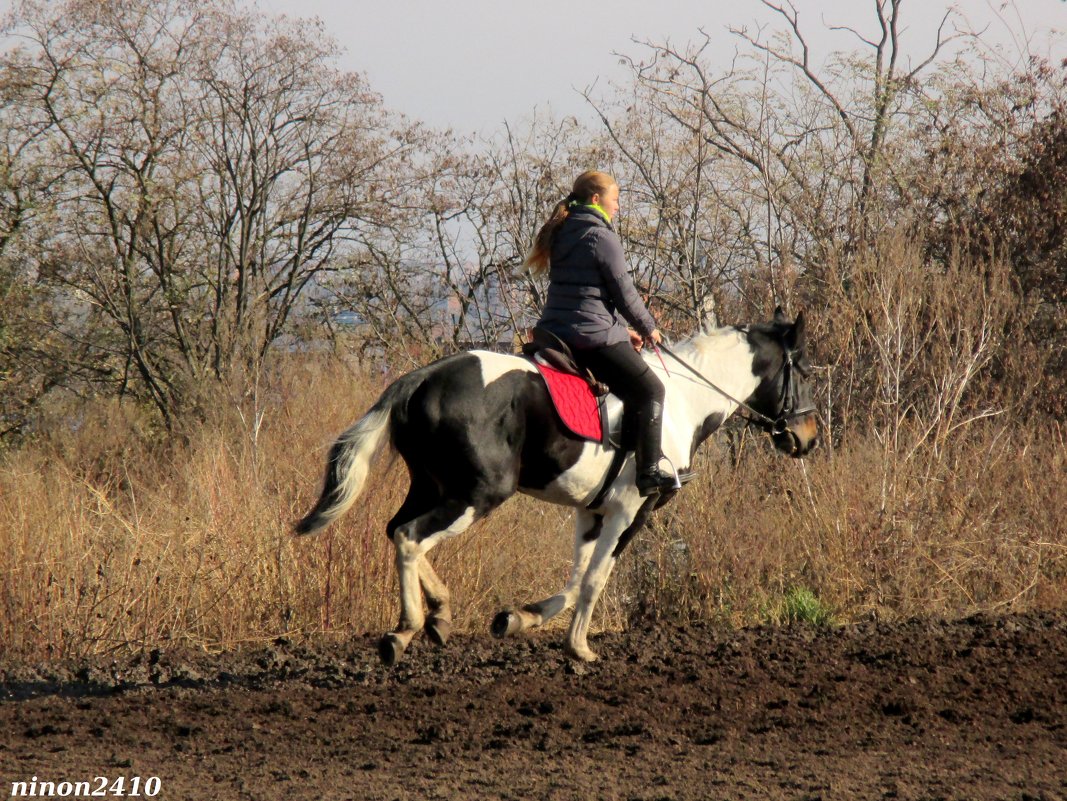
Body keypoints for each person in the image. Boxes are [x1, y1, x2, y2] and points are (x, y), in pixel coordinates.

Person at [525, 170, 676, 497]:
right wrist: (649, 328)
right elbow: (624, 293)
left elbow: (584, 296)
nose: (618, 206)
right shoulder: (601, 237)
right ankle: (649, 472)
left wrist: (622, 332)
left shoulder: (563, 230)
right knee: (652, 391)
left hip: (556, 332)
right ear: (597, 199)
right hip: (589, 339)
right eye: (616, 199)